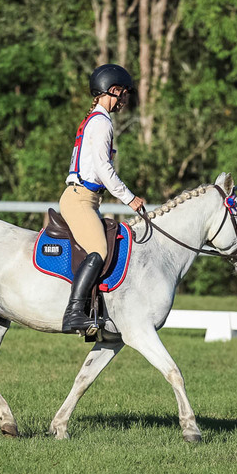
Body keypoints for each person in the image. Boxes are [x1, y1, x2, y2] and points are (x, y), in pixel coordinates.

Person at [60, 64, 146, 334]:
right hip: (80, 199)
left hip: (86, 198)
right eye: (123, 94)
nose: (125, 100)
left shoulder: (96, 120)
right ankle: (73, 313)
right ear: (113, 90)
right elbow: (103, 170)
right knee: (99, 250)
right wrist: (130, 199)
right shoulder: (102, 123)